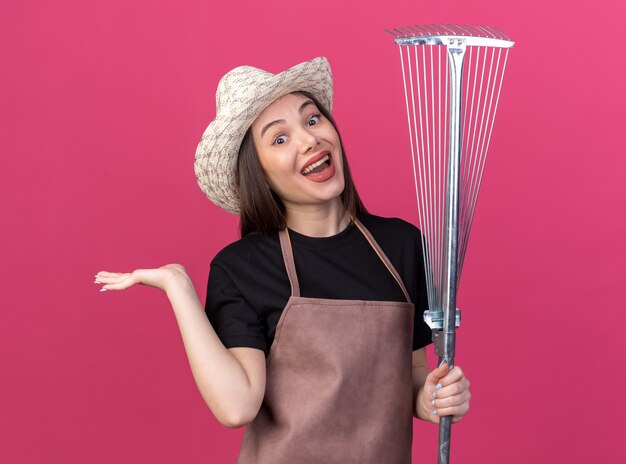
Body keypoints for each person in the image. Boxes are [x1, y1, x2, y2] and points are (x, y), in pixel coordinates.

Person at [94, 57, 471, 463]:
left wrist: (433, 398)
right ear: (260, 174)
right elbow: (237, 406)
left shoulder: (402, 245)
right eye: (279, 139)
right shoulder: (243, 269)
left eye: (312, 120)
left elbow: (412, 371)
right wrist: (178, 287)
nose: (309, 140)